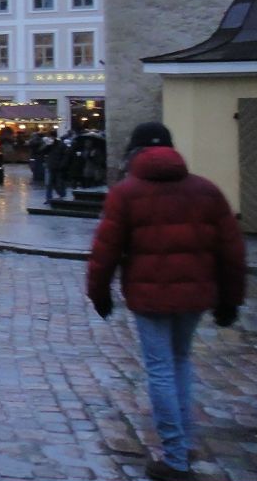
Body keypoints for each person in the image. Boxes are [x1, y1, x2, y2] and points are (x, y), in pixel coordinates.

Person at [86, 122, 246, 481]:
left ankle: (174, 457)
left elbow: (104, 251)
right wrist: (230, 300)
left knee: (159, 370)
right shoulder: (206, 191)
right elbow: (233, 250)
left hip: (149, 298)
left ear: (134, 153)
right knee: (181, 363)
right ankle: (183, 444)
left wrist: (99, 294)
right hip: (194, 297)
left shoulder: (126, 194)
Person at [44, 135, 71, 204]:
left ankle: (61, 195)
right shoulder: (50, 145)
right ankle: (49, 198)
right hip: (51, 166)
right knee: (50, 183)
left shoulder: (61, 145)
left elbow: (66, 156)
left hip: (58, 167)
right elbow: (42, 151)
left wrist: (62, 164)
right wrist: (47, 145)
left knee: (58, 183)